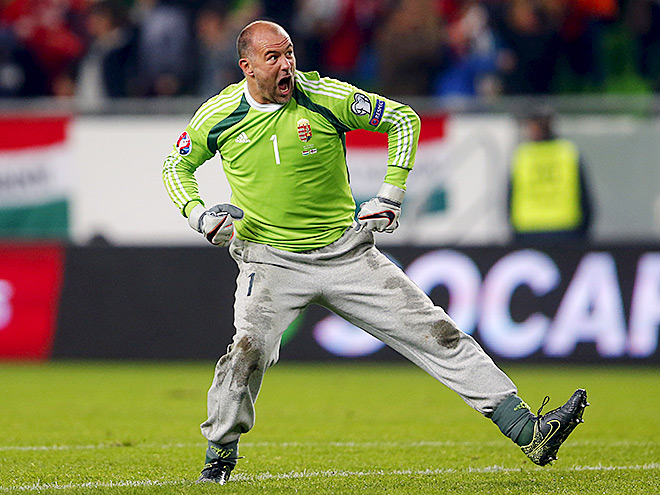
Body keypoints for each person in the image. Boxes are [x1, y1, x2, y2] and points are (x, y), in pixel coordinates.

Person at [162, 20, 588, 485]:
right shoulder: (219, 115)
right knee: (247, 351)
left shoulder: (324, 97)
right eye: (273, 58)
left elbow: (403, 120)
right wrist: (198, 215)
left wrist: (390, 194)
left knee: (437, 333)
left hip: (346, 254)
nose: (287, 65)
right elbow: (175, 166)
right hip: (270, 261)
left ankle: (528, 430)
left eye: (290, 54)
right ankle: (219, 459)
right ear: (246, 67)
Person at [508, 107, 594, 242]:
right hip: (565, 229)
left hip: (530, 230)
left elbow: (510, 197)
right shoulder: (567, 151)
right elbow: (585, 197)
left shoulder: (522, 155)